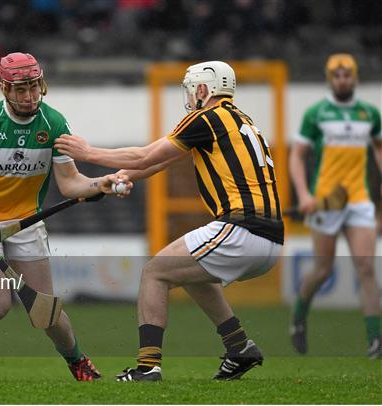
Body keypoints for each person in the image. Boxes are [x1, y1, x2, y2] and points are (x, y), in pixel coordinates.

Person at [55, 61, 284, 381]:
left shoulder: (206, 117)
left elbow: (145, 155)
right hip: (270, 238)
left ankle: (148, 367)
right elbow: (153, 163)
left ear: (203, 90)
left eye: (192, 90)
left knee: (154, 272)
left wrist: (89, 153)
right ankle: (239, 347)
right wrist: (113, 179)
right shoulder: (237, 120)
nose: (189, 97)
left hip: (242, 229)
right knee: (192, 274)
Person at [0, 52, 132, 381]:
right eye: (20, 89)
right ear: (4, 89)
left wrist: (101, 183)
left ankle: (76, 360)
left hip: (26, 220)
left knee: (47, 312)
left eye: (34, 87)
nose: (28, 96)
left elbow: (70, 185)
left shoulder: (54, 124)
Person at [288, 53, 382, 359]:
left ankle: (375, 341)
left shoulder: (369, 113)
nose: (343, 80)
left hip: (357, 199)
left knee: (366, 267)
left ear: (355, 77)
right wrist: (303, 194)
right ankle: (299, 316)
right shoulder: (317, 113)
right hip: (325, 201)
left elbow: (379, 149)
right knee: (323, 269)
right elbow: (297, 156)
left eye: (348, 75)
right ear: (330, 79)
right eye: (337, 75)